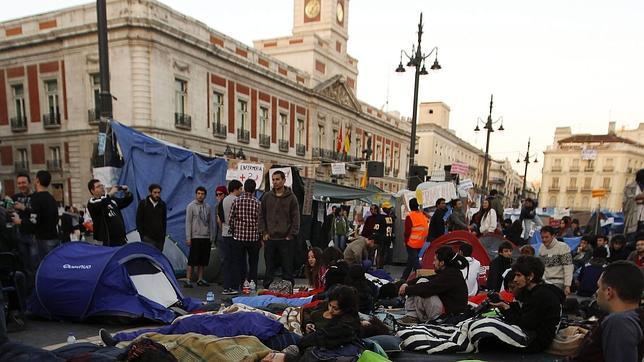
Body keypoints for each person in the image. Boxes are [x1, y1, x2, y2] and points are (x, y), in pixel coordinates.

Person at [490, 256, 566, 353]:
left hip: (534, 342)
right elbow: (523, 314)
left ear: (530, 276)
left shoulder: (541, 295)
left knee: (489, 338)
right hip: (533, 336)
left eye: (518, 275)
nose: (515, 279)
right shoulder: (534, 291)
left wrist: (506, 307)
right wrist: (505, 304)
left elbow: (524, 324)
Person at [571, 261, 644, 361]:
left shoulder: (619, 322)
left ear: (608, 292)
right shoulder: (635, 316)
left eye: (599, 287)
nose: (597, 292)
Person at [398, 246, 469, 324]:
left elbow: (428, 287)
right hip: (446, 309)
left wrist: (406, 289)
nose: (433, 263)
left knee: (421, 290)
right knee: (421, 282)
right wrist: (406, 284)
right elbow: (428, 278)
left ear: (442, 263)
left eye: (435, 260)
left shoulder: (451, 275)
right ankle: (412, 316)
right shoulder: (449, 272)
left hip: (449, 316)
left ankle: (417, 317)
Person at [284, 285, 362, 357]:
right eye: (330, 305)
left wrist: (300, 342)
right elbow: (306, 311)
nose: (331, 310)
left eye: (335, 308)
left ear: (345, 308)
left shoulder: (345, 324)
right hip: (299, 325)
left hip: (304, 340)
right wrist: (309, 322)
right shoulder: (324, 305)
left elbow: (321, 337)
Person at [260, 170, 300, 289]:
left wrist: (291, 234)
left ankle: (288, 288)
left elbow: (296, 217)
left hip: (286, 238)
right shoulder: (267, 196)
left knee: (287, 266)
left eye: (277, 179)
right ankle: (267, 288)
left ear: (283, 180)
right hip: (270, 237)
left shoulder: (291, 197)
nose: (275, 182)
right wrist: (264, 232)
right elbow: (261, 215)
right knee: (269, 266)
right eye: (273, 180)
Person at [11, 170, 59, 263]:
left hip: (42, 241)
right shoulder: (51, 198)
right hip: (53, 238)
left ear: (37, 180)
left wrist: (19, 221)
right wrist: (25, 208)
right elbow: (47, 216)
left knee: (39, 267)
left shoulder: (36, 198)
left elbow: (34, 221)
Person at [229, 179, 262, 287]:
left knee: (239, 262)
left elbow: (230, 219)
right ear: (254, 189)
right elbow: (260, 221)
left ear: (244, 188)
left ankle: (239, 283)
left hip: (239, 237)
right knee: (253, 263)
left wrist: (234, 229)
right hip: (253, 238)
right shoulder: (257, 203)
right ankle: (253, 283)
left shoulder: (237, 201)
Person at [184, 186, 215, 288]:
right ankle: (188, 279)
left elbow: (210, 222)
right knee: (192, 260)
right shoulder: (191, 206)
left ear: (205, 195)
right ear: (196, 194)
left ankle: (200, 279)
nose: (200, 195)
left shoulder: (208, 207)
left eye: (202, 194)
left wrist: (211, 236)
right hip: (195, 236)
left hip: (205, 237)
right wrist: (188, 237)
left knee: (203, 260)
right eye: (198, 193)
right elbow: (188, 222)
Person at [86, 179, 134, 246]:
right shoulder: (92, 203)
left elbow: (126, 201)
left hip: (121, 239)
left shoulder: (110, 199)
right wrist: (111, 193)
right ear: (92, 191)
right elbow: (102, 202)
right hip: (107, 241)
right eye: (98, 186)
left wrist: (127, 192)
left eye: (102, 185)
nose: (101, 187)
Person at [10, 173, 37, 281]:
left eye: (24, 182)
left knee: (35, 263)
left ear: (29, 183)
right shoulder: (14, 198)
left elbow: (37, 215)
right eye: (19, 183)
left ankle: (37, 288)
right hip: (20, 234)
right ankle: (29, 290)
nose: (21, 185)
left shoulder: (35, 197)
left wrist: (24, 208)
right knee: (25, 265)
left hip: (33, 235)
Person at [220, 180, 243, 294]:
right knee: (235, 261)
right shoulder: (237, 200)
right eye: (240, 189)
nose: (241, 191)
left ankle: (226, 286)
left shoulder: (224, 200)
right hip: (234, 234)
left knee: (226, 261)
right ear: (236, 189)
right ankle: (233, 286)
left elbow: (221, 217)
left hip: (225, 233)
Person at [538, 226, 573, 295]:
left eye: (546, 237)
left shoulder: (563, 247)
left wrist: (567, 285)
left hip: (558, 282)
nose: (544, 239)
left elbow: (568, 267)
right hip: (544, 281)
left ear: (553, 236)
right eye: (542, 237)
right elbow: (540, 267)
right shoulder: (541, 248)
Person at [401, 198, 429, 281]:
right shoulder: (422, 215)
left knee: (415, 261)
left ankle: (422, 278)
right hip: (420, 242)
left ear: (410, 206)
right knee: (410, 261)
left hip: (411, 242)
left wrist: (405, 241)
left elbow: (407, 231)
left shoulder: (410, 216)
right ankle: (404, 278)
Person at [135, 183, 167, 251]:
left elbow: (164, 221)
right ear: (150, 192)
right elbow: (138, 219)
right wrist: (142, 235)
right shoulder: (143, 203)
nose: (157, 195)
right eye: (155, 192)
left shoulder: (162, 204)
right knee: (148, 257)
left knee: (157, 257)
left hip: (159, 239)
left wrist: (163, 236)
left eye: (158, 193)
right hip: (147, 238)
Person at [623, 168, 644, 246]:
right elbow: (626, 201)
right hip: (632, 219)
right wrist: (639, 199)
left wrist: (638, 200)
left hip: (643, 219)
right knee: (631, 243)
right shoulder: (629, 187)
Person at [373, 201, 395, 268]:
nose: (390, 210)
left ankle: (381, 268)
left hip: (387, 238)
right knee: (380, 253)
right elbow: (376, 228)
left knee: (383, 254)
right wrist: (376, 238)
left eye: (390, 208)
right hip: (381, 238)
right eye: (388, 208)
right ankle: (378, 268)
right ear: (384, 209)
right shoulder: (380, 217)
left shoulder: (389, 217)